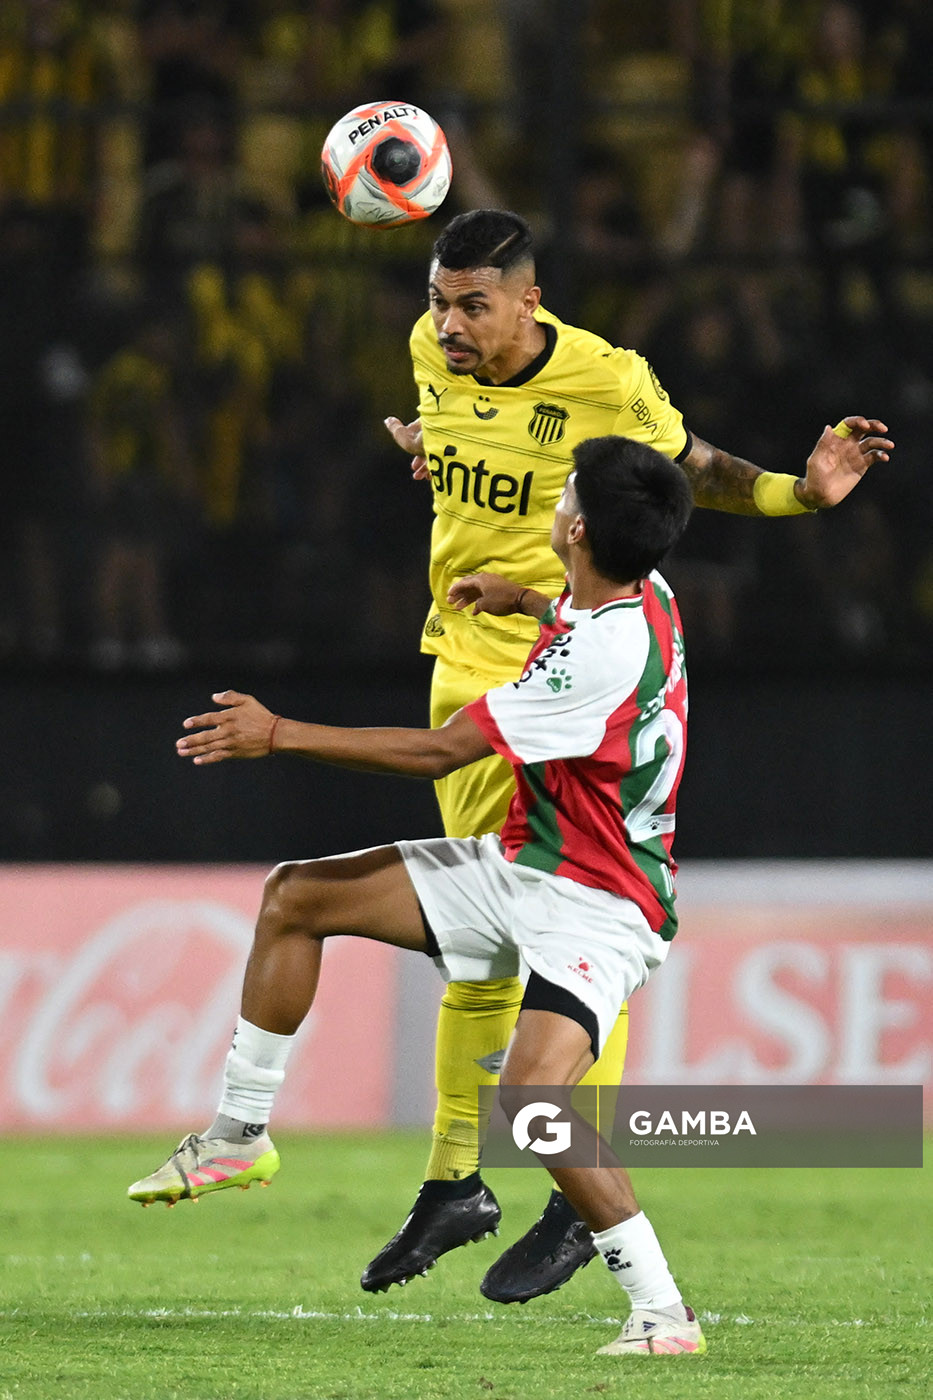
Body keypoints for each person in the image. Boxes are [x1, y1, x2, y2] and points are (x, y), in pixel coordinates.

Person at [372, 206, 892, 1304]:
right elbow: (465, 437)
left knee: (562, 925)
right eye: (438, 299)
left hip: (567, 671)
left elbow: (688, 468)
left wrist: (801, 494)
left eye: (473, 304)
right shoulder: (432, 354)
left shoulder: (610, 381)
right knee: (481, 934)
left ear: (530, 300)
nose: (449, 324)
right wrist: (436, 450)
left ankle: (559, 1184)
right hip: (462, 652)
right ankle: (460, 1180)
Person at [130, 434, 702, 1355]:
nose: (552, 505)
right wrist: (520, 598)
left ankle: (661, 1310)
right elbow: (581, 610)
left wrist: (278, 733)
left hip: (600, 901)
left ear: (580, 528)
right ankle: (239, 1132)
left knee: (537, 1108)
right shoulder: (649, 594)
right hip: (526, 867)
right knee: (295, 898)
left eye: (562, 496)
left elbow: (438, 752)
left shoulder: (590, 660)